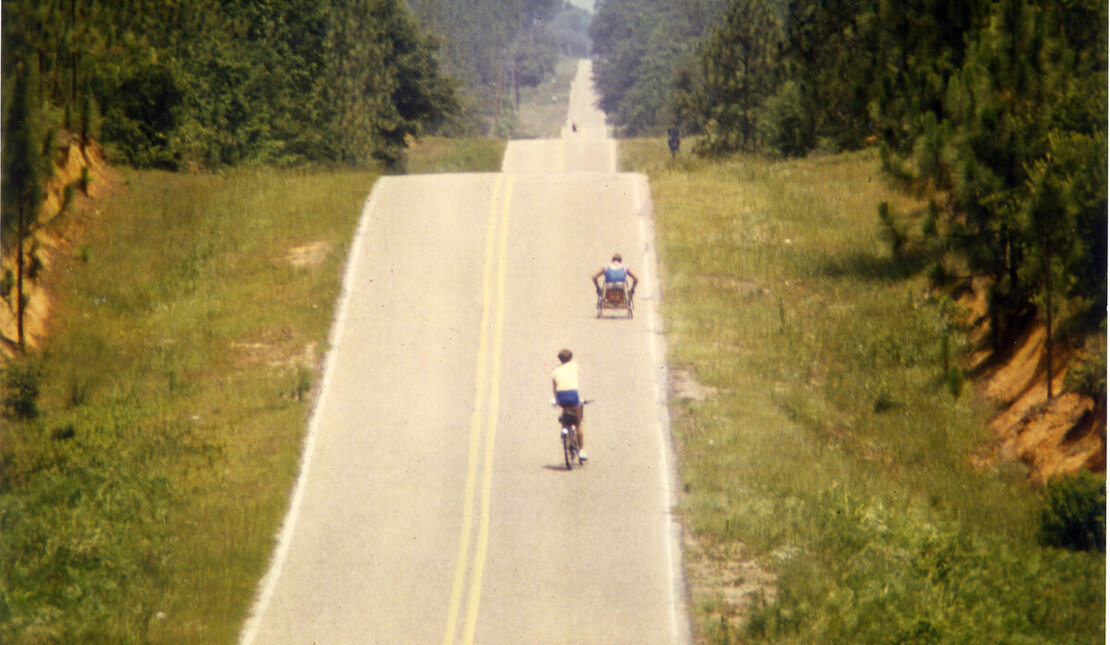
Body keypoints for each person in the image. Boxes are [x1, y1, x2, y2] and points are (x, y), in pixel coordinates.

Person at [551, 348, 586, 462]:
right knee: (578, 423)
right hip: (573, 395)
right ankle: (581, 451)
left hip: (561, 396)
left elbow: (555, 388)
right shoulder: (574, 366)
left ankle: (564, 429)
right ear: (570, 358)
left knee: (565, 409)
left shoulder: (555, 371)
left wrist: (557, 400)